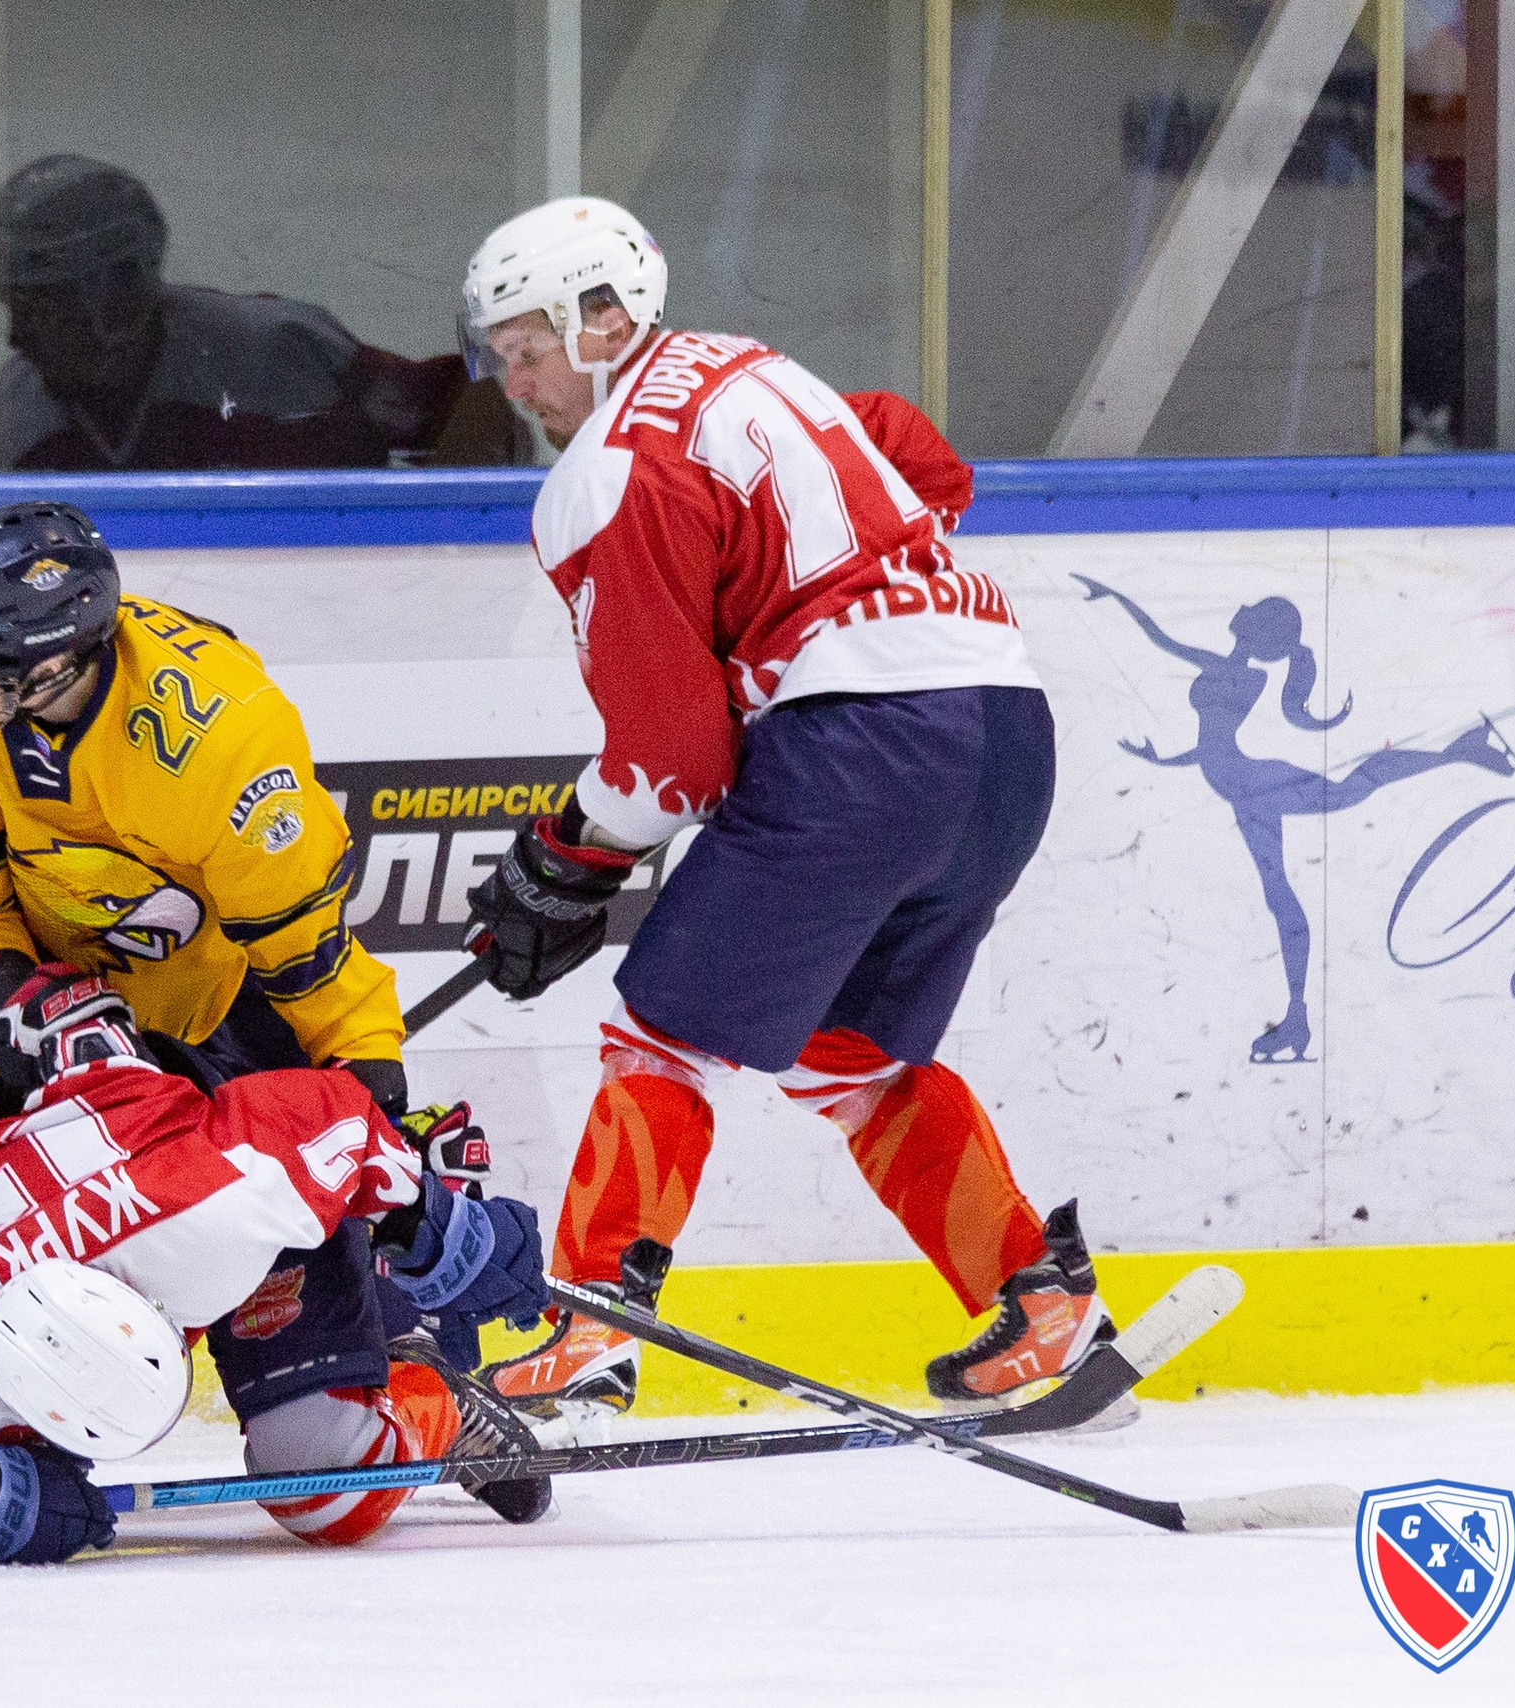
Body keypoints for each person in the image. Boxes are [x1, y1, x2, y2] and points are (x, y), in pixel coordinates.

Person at [451, 196, 1112, 1421]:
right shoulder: (752, 369)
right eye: (499, 355)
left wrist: (566, 854)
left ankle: (588, 1327)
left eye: (528, 344)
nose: (517, 379)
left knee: (661, 1031)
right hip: (1005, 728)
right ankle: (1044, 1306)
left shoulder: (610, 472)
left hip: (866, 742)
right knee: (848, 1047)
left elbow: (672, 765)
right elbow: (921, 461)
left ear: (604, 319)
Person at [0, 498, 522, 1487]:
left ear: (46, 670)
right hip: (34, 981)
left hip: (216, 1011)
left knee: (319, 1470)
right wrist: (23, 996)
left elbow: (317, 971)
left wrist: (380, 1146)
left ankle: (410, 1371)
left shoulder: (224, 740)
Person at [0, 970, 549, 1562]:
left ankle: (416, 1370)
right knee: (323, 1496)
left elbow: (339, 1113)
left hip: (197, 1097)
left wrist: (435, 1222)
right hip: (70, 1115)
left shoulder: (207, 1214)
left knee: (330, 1484)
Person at [1079, 578, 1515, 1062]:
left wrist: (1161, 759)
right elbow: (1179, 680)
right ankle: (1295, 1018)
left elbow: (1190, 703)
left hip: (1255, 784)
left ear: (1256, 629)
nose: (1241, 608)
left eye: (1253, 610)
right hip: (1245, 792)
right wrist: (1116, 598)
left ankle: (1459, 752)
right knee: (1282, 891)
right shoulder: (1231, 670)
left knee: (1347, 796)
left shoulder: (1239, 675)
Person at [0, 154, 524, 471]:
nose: (17, 340)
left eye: (39, 311)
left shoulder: (274, 350)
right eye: (10, 308)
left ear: (117, 300)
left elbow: (475, 412)